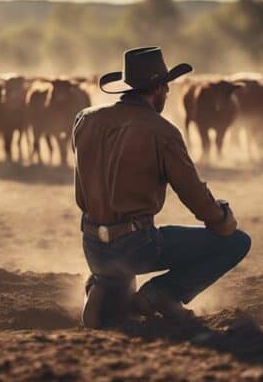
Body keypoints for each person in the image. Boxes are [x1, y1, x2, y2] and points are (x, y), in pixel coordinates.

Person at [72, 47, 251, 328]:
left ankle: (102, 285)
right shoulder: (162, 131)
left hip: (93, 244)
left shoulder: (85, 120)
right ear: (157, 88)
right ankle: (161, 294)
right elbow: (193, 195)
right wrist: (221, 220)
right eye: (166, 87)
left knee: (118, 282)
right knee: (237, 242)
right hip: (136, 245)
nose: (168, 93)